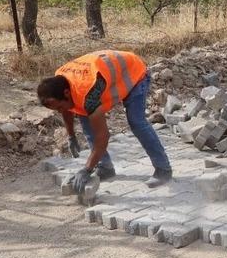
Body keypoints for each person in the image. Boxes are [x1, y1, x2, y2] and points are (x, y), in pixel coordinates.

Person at [36, 50, 172, 191]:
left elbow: (103, 136)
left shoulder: (88, 93)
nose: (60, 111)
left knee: (137, 122)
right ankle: (105, 168)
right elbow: (65, 109)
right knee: (87, 125)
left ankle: (163, 169)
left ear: (66, 93)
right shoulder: (60, 82)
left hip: (134, 73)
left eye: (59, 107)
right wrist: (71, 136)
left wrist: (86, 169)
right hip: (104, 77)